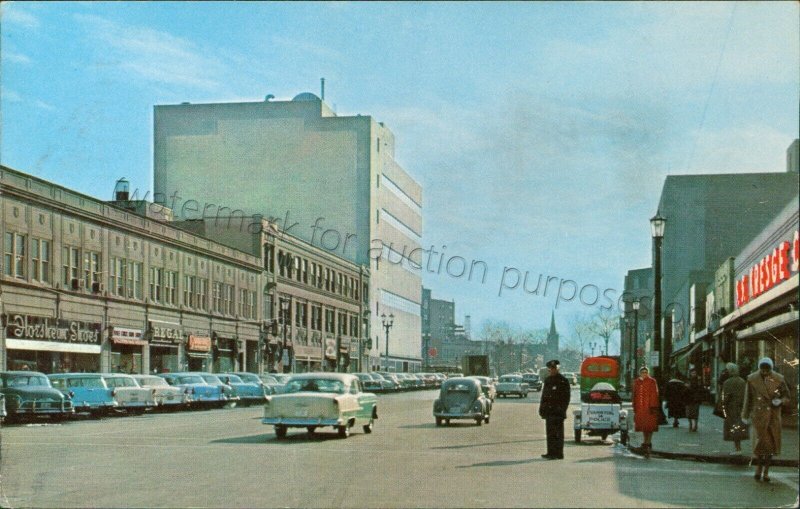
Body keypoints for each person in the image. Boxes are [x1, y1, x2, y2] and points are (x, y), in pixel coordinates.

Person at [742, 357, 790, 482]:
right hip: (758, 417)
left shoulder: (779, 379)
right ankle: (758, 468)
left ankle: (766, 471)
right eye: (762, 369)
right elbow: (748, 399)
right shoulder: (751, 379)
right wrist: (745, 415)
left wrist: (780, 401)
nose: (765, 372)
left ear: (771, 368)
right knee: (760, 445)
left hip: (773, 417)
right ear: (759, 368)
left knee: (770, 447)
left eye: (767, 369)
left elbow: (787, 397)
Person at [538, 359, 571, 460]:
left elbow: (566, 398)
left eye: (554, 368)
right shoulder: (548, 380)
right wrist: (541, 409)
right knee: (550, 432)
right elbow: (544, 396)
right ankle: (550, 452)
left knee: (558, 433)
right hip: (549, 411)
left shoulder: (563, 381)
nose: (552, 370)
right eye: (550, 369)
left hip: (558, 412)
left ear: (558, 369)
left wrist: (562, 409)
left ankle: (559, 453)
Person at [632, 366, 660, 458]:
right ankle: (645, 443)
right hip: (640, 408)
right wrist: (634, 406)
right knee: (644, 426)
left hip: (649, 408)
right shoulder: (637, 382)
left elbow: (655, 394)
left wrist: (653, 406)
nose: (644, 373)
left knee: (650, 426)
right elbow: (634, 395)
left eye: (645, 372)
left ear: (648, 373)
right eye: (642, 372)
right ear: (640, 373)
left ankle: (648, 443)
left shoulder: (652, 381)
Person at [720, 362, 747, 455]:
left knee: (733, 428)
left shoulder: (727, 382)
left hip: (731, 408)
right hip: (741, 408)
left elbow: (725, 398)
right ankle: (738, 448)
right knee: (739, 427)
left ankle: (737, 449)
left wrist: (723, 405)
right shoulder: (742, 381)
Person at [685, 367, 704, 432]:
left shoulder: (698, 381)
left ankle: (695, 425)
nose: (694, 374)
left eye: (695, 373)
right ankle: (690, 424)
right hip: (689, 399)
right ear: (690, 374)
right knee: (689, 413)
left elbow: (700, 389)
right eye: (692, 373)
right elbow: (685, 390)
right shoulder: (688, 380)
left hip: (695, 399)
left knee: (695, 413)